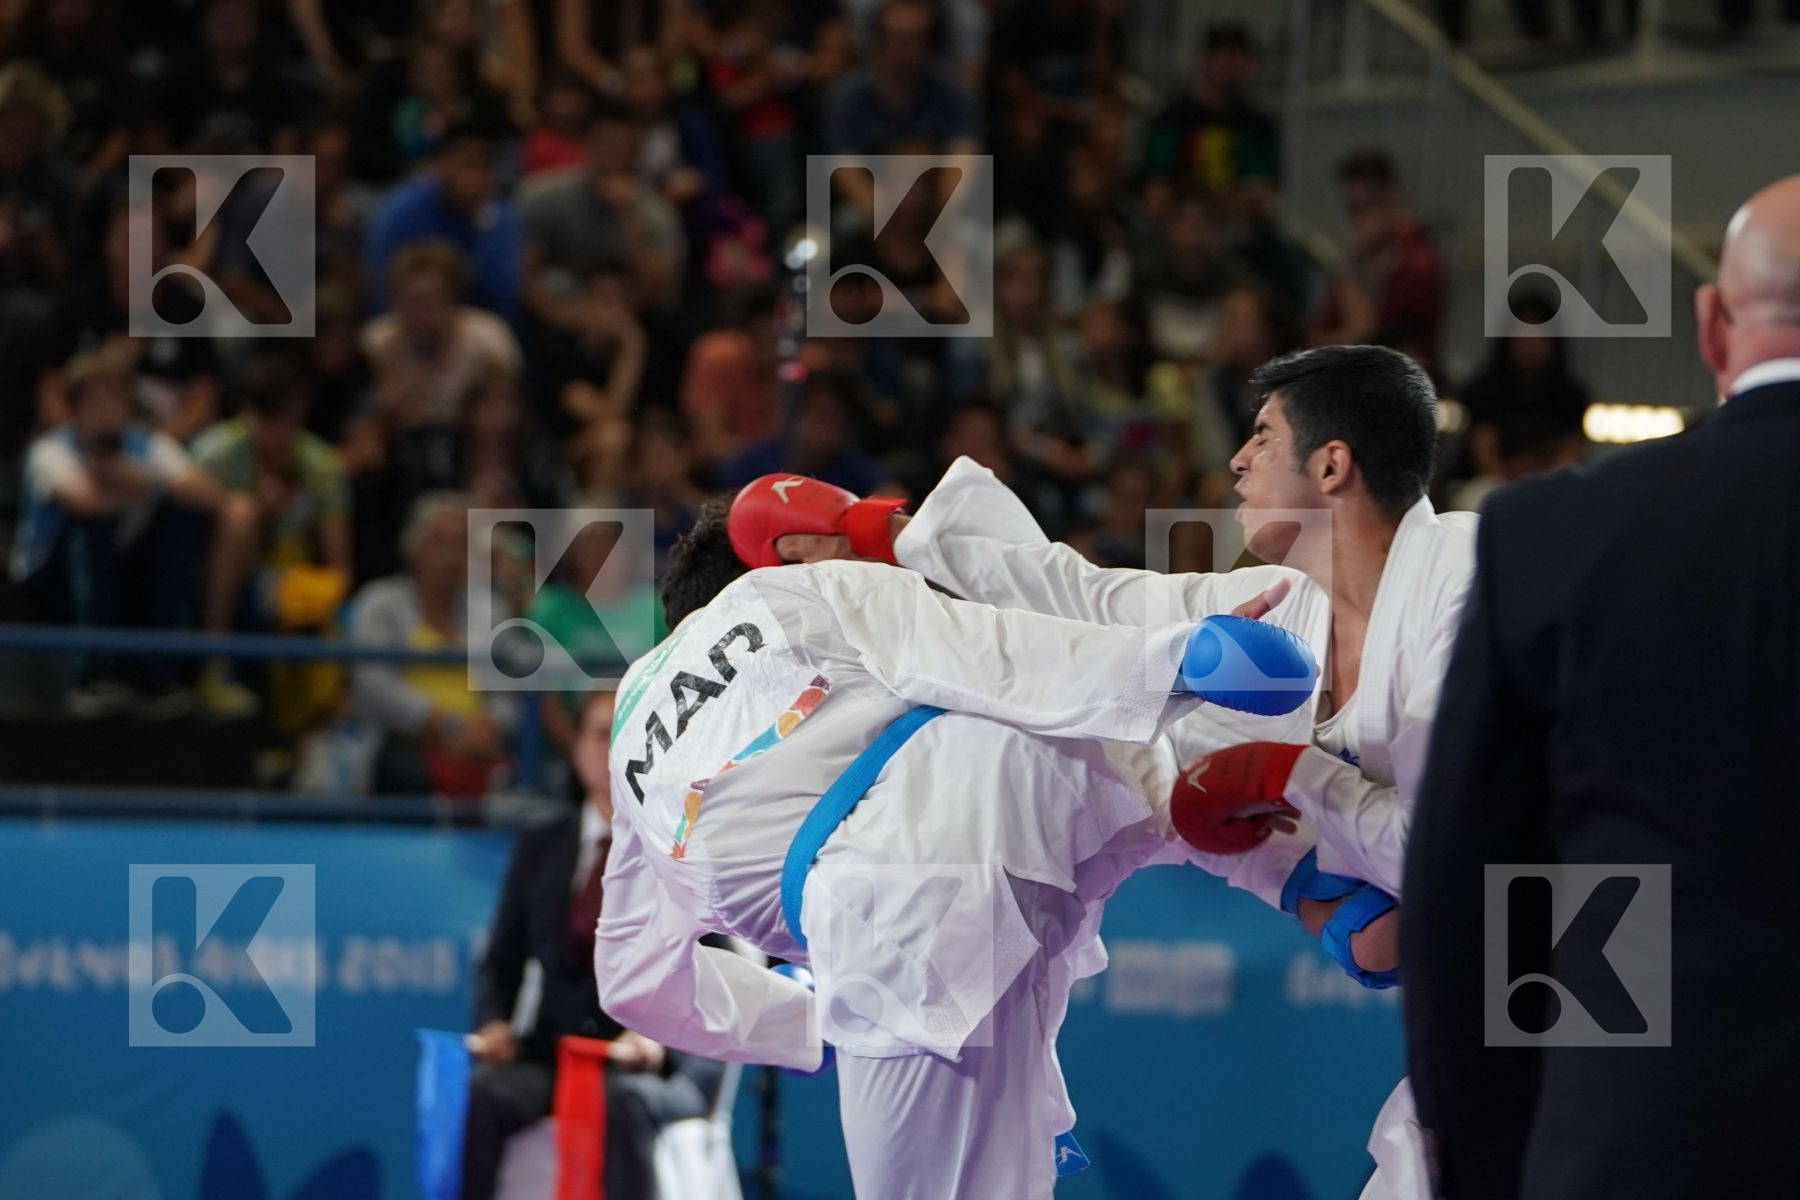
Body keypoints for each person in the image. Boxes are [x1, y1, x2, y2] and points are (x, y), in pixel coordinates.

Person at [782, 343, 1474, 1197]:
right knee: (1152, 703)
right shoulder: (1291, 606)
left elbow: (1445, 850)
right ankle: (1313, 891)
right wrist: (878, 531)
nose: (1238, 459)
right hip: (1484, 969)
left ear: (1332, 465)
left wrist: (1293, 778)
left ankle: (1315, 892)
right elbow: (1086, 598)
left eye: (1263, 435)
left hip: (1583, 936)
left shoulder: (1465, 584)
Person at [595, 483, 1321, 1197]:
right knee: (1072, 721)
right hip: (1032, 783)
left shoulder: (628, 727)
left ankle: (1238, 817)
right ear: (781, 556)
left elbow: (632, 981)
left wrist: (805, 1023)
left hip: (891, 913)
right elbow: (996, 649)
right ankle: (1296, 860)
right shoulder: (794, 588)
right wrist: (1172, 661)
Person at [1403, 176, 1800, 1200]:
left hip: (1643, 1142)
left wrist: (1490, 1159)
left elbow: (1477, 884)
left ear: (1713, 324)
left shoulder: (1557, 535)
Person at [464, 688, 729, 1200]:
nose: (613, 752)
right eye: (600, 735)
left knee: (621, 1100)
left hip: (664, 1061)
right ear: (576, 748)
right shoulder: (542, 844)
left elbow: (723, 968)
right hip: (558, 1054)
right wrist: (494, 1022)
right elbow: (501, 960)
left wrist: (661, 1037)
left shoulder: (689, 842)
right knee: (483, 1096)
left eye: (629, 736)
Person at [11, 341, 261, 715]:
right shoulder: (51, 450)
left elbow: (210, 496)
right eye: (94, 402)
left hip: (124, 579)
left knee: (181, 518)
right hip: (52, 584)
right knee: (91, 529)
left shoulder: (147, 446)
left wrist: (145, 482)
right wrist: (146, 488)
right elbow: (85, 502)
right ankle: (93, 672)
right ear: (76, 409)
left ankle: (158, 672)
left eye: (114, 401)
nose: (105, 413)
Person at [1310, 149, 1445, 382]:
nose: (1362, 219)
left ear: (1393, 199)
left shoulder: (1419, 263)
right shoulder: (1357, 262)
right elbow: (1320, 333)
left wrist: (1350, 276)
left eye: (1370, 205)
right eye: (1353, 209)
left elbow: (1370, 338)